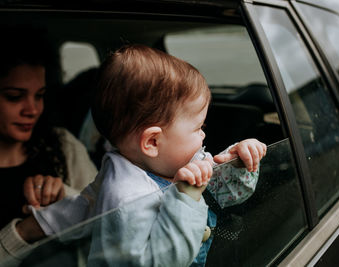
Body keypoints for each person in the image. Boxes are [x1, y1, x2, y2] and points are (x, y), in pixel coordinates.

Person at [13, 44, 266, 266]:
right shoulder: (126, 200)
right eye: (199, 127)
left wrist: (239, 161)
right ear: (153, 141)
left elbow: (227, 194)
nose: (203, 137)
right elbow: (162, 262)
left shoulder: (168, 162)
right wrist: (186, 199)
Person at [0, 28, 97, 263]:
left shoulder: (62, 145)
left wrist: (66, 196)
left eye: (40, 95)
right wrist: (24, 232)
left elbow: (110, 215)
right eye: (14, 96)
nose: (32, 110)